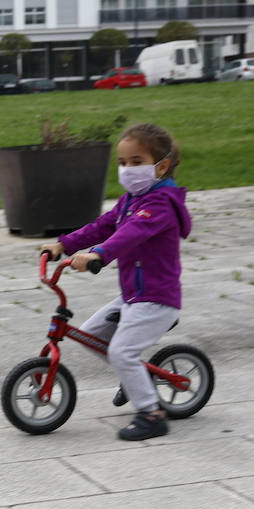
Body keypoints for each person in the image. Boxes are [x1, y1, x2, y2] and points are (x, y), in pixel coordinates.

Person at [43, 123, 192, 441]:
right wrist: (63, 245)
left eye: (136, 162)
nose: (127, 169)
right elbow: (102, 226)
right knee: (90, 335)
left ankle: (152, 414)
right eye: (123, 163)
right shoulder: (130, 200)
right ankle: (136, 377)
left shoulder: (159, 204)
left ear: (161, 166)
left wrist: (98, 254)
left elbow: (130, 234)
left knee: (122, 352)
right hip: (133, 296)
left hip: (156, 298)